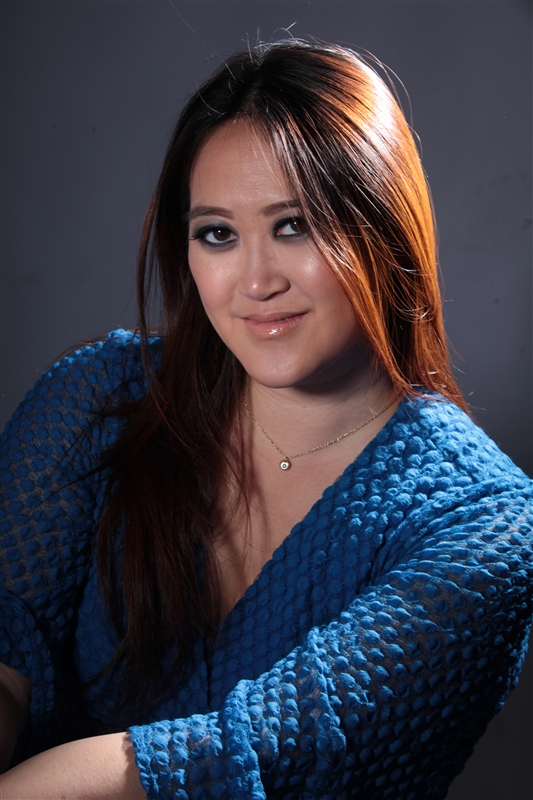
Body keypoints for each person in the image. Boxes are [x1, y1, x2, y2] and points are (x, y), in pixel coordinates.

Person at [1, 39, 532, 800]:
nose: (254, 281)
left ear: (382, 230)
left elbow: (253, 755)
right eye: (217, 233)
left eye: (295, 226)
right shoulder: (97, 399)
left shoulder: (485, 527)